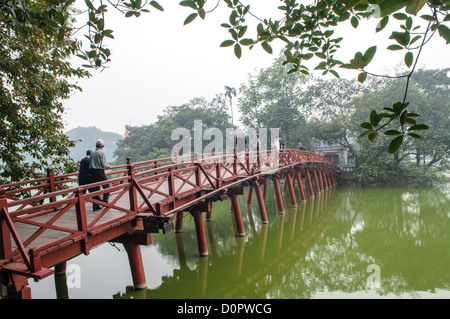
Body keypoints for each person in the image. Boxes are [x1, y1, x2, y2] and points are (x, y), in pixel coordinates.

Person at [89, 139, 111, 211]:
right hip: (99, 171)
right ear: (103, 146)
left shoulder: (92, 153)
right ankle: (105, 202)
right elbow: (103, 164)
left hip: (92, 172)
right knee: (107, 186)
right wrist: (107, 166)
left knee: (95, 190)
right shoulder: (101, 153)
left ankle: (95, 206)